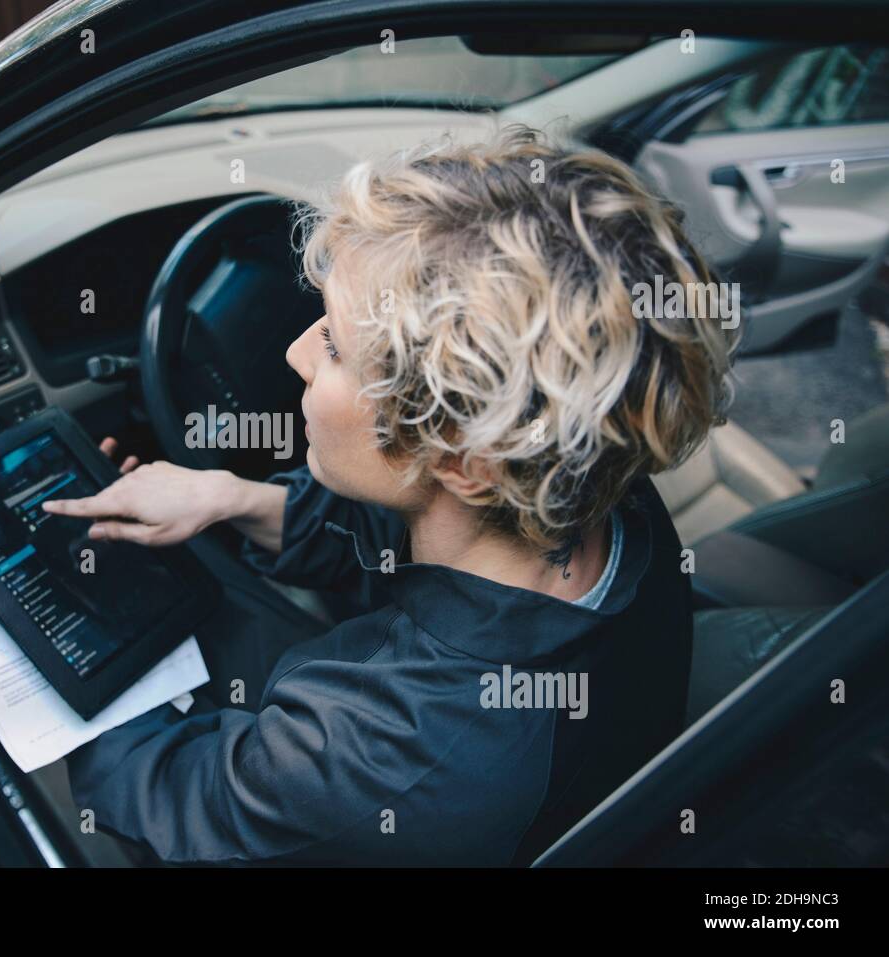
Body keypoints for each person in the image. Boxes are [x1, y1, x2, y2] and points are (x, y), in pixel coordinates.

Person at [49, 126, 739, 865]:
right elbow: (383, 525)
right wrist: (230, 497)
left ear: (466, 463)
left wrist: (70, 613)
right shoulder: (603, 483)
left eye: (338, 346)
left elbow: (163, 795)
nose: (296, 352)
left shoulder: (391, 754)